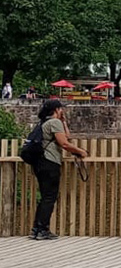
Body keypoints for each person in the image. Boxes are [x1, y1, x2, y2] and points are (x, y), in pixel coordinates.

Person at [29, 100, 88, 240]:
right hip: (49, 162)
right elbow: (64, 143)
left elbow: (66, 136)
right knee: (50, 196)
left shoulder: (44, 122)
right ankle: (42, 229)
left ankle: (36, 229)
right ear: (56, 109)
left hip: (40, 163)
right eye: (61, 109)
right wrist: (81, 151)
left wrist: (64, 122)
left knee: (45, 196)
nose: (63, 111)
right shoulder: (54, 123)